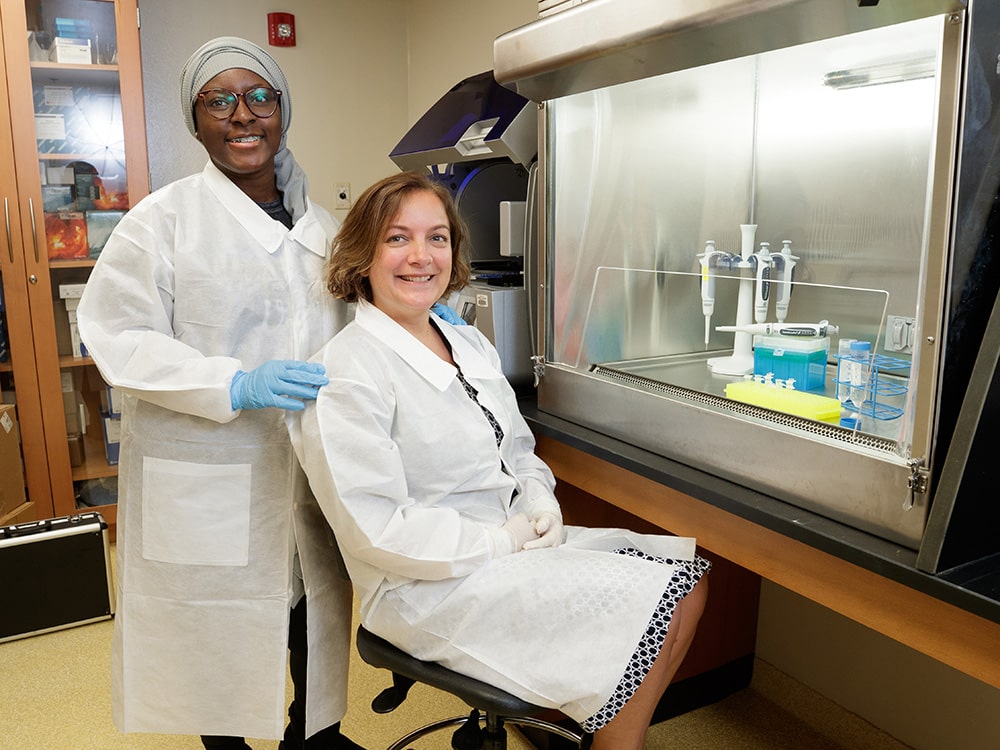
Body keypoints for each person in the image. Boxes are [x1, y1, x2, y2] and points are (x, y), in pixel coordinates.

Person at [288, 171, 711, 750]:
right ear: (362, 254)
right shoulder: (347, 372)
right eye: (397, 238)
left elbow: (517, 449)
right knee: (648, 606)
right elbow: (375, 530)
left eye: (437, 238)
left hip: (507, 543)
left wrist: (541, 502)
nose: (421, 256)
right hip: (425, 581)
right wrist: (504, 542)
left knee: (689, 585)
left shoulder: (466, 342)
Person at [77, 37, 367, 750]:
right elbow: (117, 335)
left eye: (260, 97)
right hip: (205, 463)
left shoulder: (325, 230)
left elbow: (361, 319)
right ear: (197, 119)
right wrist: (232, 382)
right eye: (220, 100)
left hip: (305, 461)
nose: (243, 115)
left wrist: (422, 319)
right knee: (213, 615)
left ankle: (315, 734)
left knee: (313, 600)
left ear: (282, 112)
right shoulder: (162, 221)